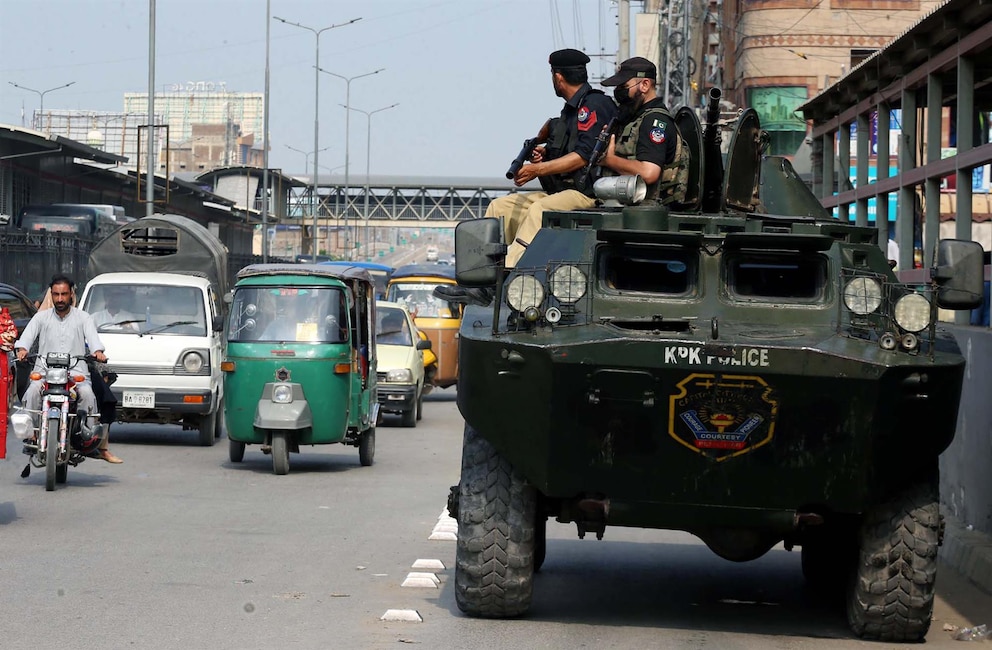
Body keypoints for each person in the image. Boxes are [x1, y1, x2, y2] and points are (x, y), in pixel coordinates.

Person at [436, 49, 617, 306]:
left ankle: (504, 282)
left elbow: (583, 156)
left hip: (587, 194)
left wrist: (536, 170)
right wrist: (544, 155)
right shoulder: (569, 111)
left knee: (539, 210)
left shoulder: (593, 105)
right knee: (500, 208)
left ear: (558, 77)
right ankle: (480, 280)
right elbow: (566, 152)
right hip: (562, 192)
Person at [14, 274, 123, 463]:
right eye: (56, 294)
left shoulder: (83, 318)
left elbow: (94, 341)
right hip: (45, 372)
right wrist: (22, 349)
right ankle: (32, 434)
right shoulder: (41, 317)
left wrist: (98, 352)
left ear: (71, 294)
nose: (60, 299)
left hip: (76, 373)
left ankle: (86, 434)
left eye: (64, 294)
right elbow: (26, 338)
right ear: (51, 295)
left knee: (87, 394)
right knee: (32, 391)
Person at [599, 57, 689, 206]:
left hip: (646, 211)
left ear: (645, 85)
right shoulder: (633, 118)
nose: (618, 92)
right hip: (625, 206)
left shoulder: (655, 121)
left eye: (624, 86)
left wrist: (610, 160)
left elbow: (649, 172)